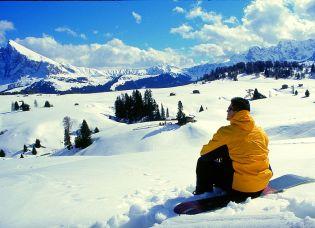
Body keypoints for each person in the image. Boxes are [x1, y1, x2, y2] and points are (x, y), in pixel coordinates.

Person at [194, 97, 273, 201]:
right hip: (262, 185)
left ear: (237, 112)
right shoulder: (260, 131)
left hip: (241, 189)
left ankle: (203, 193)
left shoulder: (226, 132)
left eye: (229, 108)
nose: (227, 111)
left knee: (203, 162)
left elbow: (204, 153)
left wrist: (221, 152)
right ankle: (255, 182)